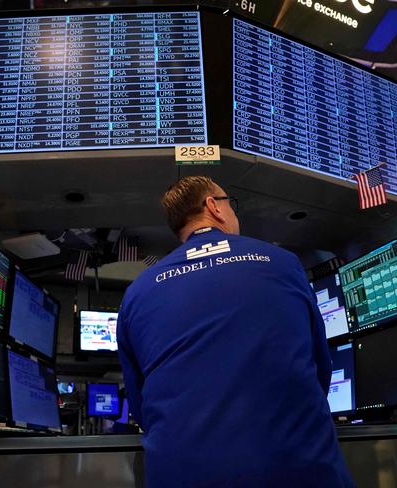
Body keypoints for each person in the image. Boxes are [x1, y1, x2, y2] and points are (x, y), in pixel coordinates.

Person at [117, 176, 355, 487]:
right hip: (298, 470)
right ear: (214, 206)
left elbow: (140, 406)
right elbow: (320, 369)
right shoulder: (282, 263)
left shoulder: (137, 292)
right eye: (233, 205)